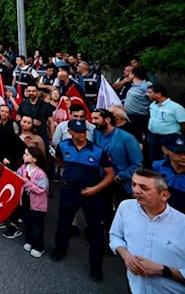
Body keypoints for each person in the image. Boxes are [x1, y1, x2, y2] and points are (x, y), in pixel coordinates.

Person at [109, 168, 185, 293]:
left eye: (144, 187)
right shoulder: (125, 207)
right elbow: (116, 236)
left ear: (164, 195)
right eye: (134, 184)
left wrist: (163, 271)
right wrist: (126, 255)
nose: (136, 190)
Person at [51, 119, 115, 283]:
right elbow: (59, 160)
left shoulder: (98, 151)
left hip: (91, 194)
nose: (81, 135)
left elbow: (110, 175)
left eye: (83, 131)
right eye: (77, 131)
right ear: (70, 131)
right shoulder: (64, 146)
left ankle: (96, 266)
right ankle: (60, 249)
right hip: (69, 192)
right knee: (64, 223)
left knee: (95, 231)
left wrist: (95, 189)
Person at [91, 108, 142, 226]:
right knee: (105, 214)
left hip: (120, 182)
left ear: (107, 119)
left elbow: (137, 165)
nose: (93, 121)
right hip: (103, 179)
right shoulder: (97, 133)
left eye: (96, 118)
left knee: (123, 216)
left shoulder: (127, 138)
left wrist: (120, 176)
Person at [153, 134, 185, 229]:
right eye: (178, 153)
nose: (183, 157)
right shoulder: (158, 167)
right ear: (165, 150)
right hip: (163, 222)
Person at [18, 145, 49, 258]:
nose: (24, 156)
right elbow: (17, 175)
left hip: (38, 203)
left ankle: (38, 247)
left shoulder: (41, 173)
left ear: (34, 159)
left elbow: (41, 189)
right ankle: (29, 241)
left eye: (27, 154)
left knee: (37, 225)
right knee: (28, 221)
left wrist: (27, 183)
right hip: (26, 199)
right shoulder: (24, 167)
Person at [148, 84, 185, 162]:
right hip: (154, 136)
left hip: (170, 137)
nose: (148, 94)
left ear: (158, 94)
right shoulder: (152, 105)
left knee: (171, 158)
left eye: (150, 92)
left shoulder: (176, 108)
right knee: (154, 157)